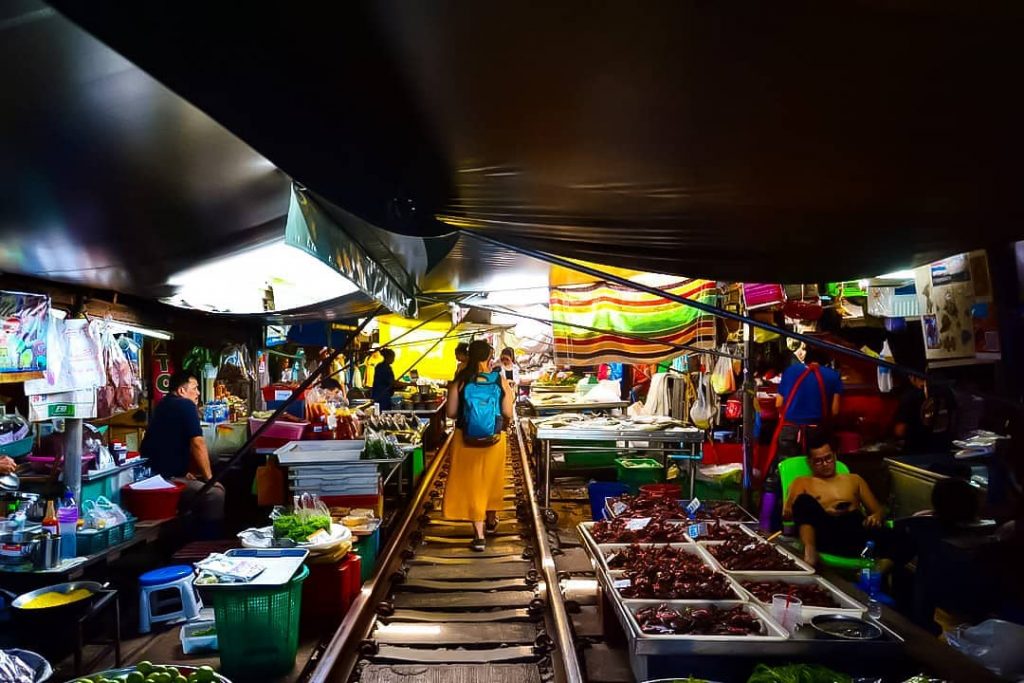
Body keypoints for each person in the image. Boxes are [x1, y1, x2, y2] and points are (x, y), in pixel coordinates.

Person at [442, 340, 515, 550]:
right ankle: (491, 520)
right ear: (488, 358)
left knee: (472, 483)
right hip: (494, 440)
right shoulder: (499, 380)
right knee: (490, 480)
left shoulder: (460, 381)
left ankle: (479, 534)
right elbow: (508, 413)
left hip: (465, 439)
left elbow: (451, 413)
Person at [140, 371, 224, 538]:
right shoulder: (185, 406)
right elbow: (197, 443)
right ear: (181, 391)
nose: (198, 393)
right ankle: (207, 543)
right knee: (215, 494)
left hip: (159, 473)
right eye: (195, 388)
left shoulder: (164, 404)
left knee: (198, 486)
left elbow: (168, 444)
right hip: (164, 479)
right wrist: (210, 480)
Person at [783, 431, 887, 566]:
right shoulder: (802, 482)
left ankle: (875, 574)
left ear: (835, 456)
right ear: (810, 463)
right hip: (826, 533)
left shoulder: (854, 480)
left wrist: (875, 517)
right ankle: (809, 553)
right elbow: (788, 514)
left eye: (828, 458)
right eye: (818, 461)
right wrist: (825, 511)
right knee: (803, 501)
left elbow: (878, 511)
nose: (825, 464)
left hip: (855, 531)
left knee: (906, 537)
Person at [772, 346, 843, 460]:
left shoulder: (790, 371)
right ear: (826, 362)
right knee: (817, 471)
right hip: (817, 432)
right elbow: (835, 411)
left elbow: (778, 404)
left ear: (806, 358)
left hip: (790, 431)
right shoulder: (833, 376)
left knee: (789, 469)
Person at [894, 374, 955, 454]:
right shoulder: (947, 392)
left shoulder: (909, 397)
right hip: (943, 447)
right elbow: (954, 418)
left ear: (913, 377)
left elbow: (900, 430)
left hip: (917, 450)